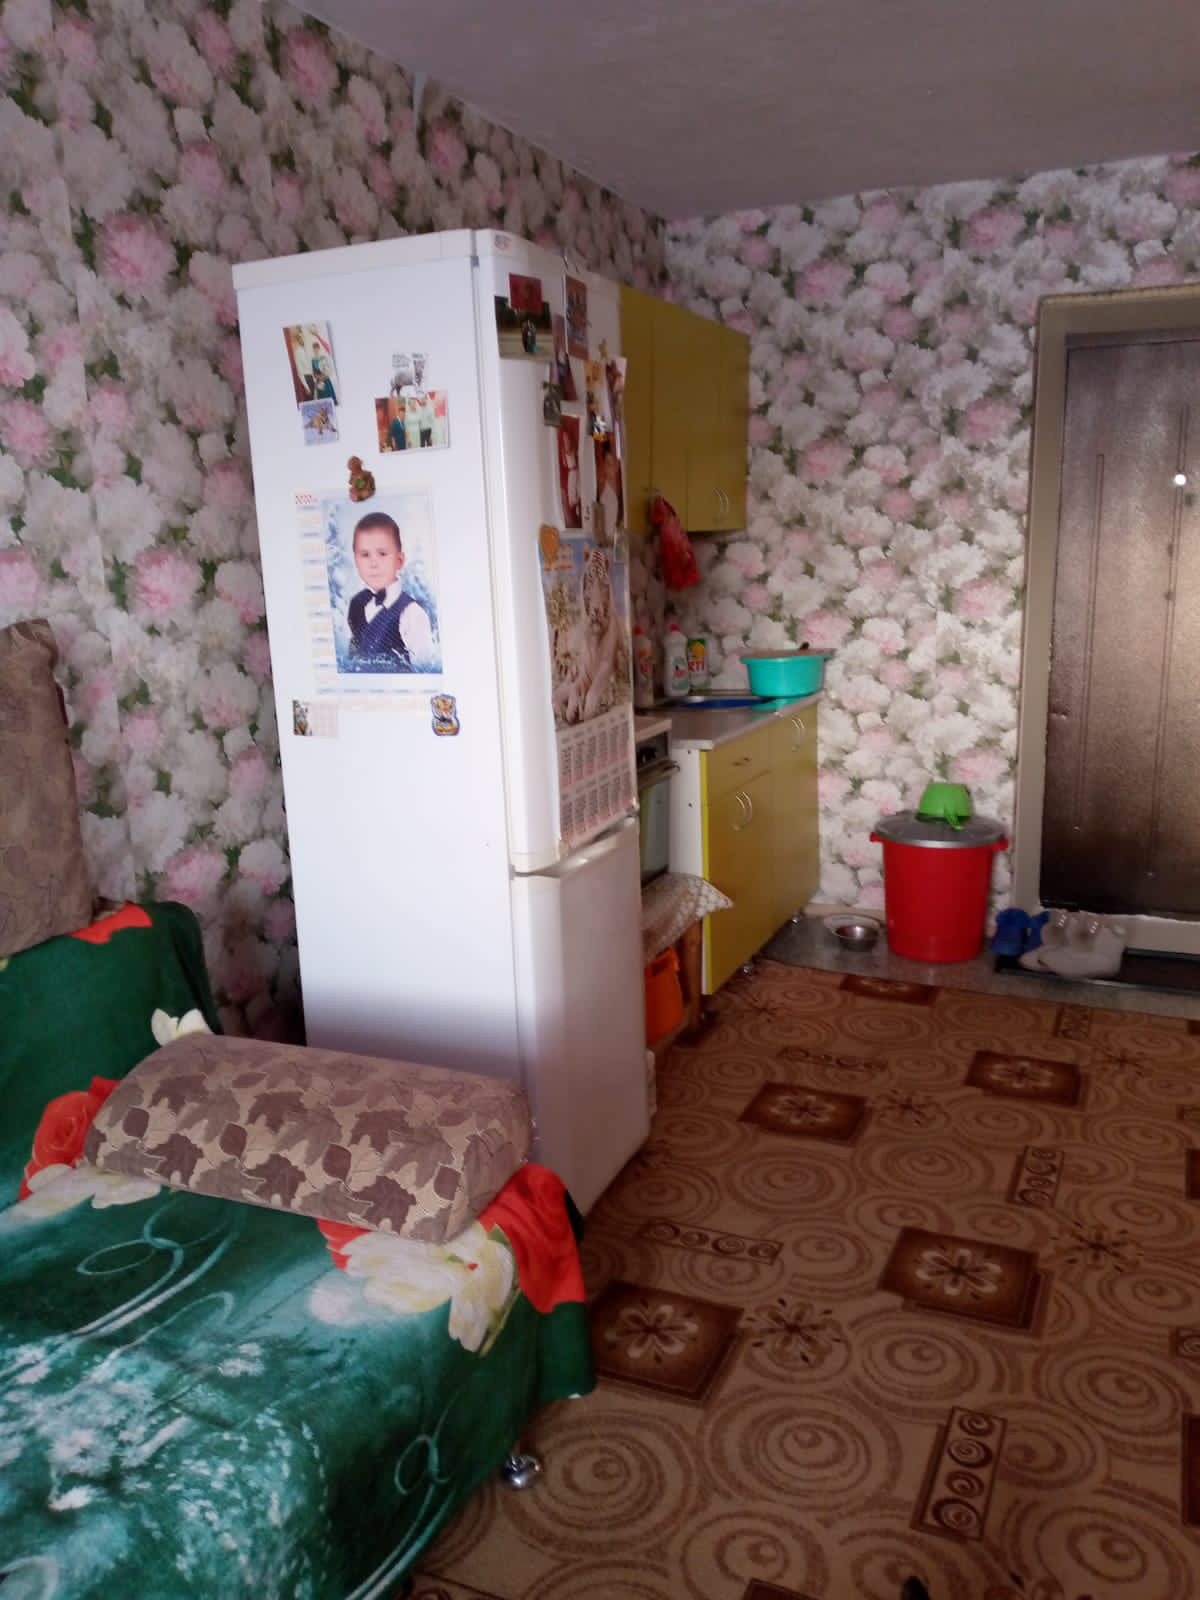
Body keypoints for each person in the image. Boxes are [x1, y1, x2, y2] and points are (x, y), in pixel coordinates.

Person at [345, 511, 436, 670]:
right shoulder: (357, 604)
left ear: (399, 560)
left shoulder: (412, 614)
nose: (373, 563)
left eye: (382, 554)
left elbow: (425, 670)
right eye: (365, 555)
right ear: (356, 561)